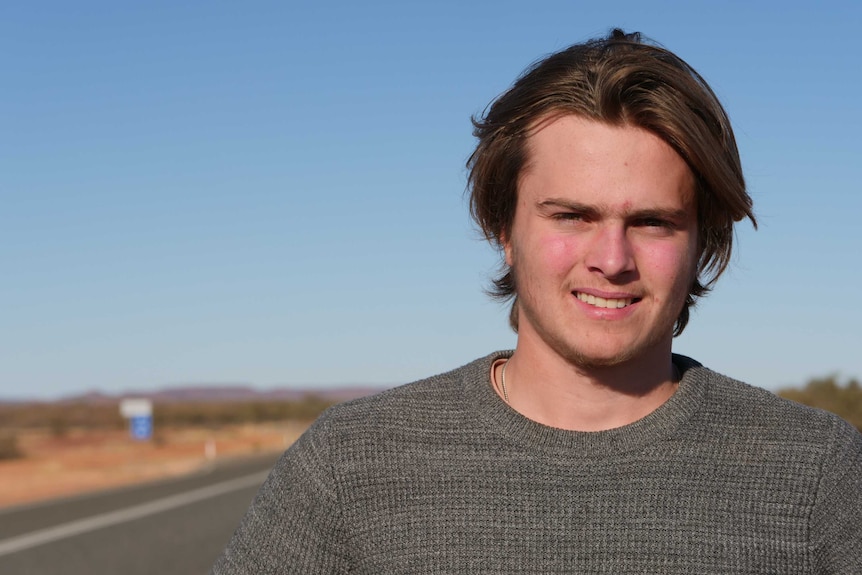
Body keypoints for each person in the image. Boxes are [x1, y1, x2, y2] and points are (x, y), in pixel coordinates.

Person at [212, 30, 862, 573]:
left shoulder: (818, 474)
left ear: (703, 241)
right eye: (573, 215)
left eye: (653, 222)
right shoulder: (353, 465)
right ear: (504, 229)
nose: (612, 258)